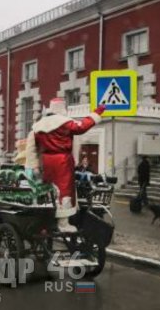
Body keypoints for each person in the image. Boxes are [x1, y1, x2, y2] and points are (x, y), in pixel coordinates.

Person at [25, 97, 105, 232]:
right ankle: (63, 223)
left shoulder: (38, 126)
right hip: (62, 160)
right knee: (64, 189)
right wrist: (98, 112)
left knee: (49, 189)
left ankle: (48, 219)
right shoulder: (65, 123)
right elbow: (82, 126)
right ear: (62, 108)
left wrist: (34, 166)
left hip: (46, 160)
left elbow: (31, 148)